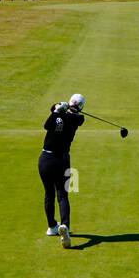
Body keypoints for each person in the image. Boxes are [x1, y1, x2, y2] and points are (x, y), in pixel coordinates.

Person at [40, 94, 86, 248]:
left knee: (49, 193)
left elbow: (47, 124)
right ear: (81, 107)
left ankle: (52, 226)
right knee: (62, 195)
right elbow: (75, 117)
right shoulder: (77, 119)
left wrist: (57, 110)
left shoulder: (59, 115)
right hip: (62, 160)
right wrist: (61, 109)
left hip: (45, 159)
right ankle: (64, 225)